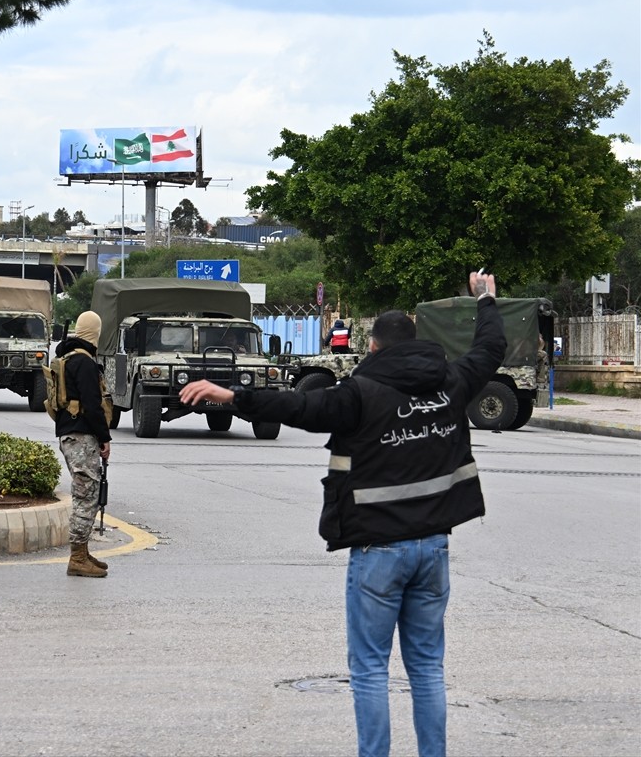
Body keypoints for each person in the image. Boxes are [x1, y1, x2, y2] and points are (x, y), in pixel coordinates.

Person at [179, 270, 505, 757]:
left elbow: (299, 406)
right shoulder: (452, 381)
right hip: (434, 549)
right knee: (428, 668)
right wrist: (485, 300)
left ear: (373, 349)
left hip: (380, 553)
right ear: (415, 345)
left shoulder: (358, 395)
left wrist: (230, 396)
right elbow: (490, 348)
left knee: (371, 669)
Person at [53, 310, 112, 578]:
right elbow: (92, 405)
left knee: (86, 493)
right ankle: (77, 558)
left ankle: (83, 552)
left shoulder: (66, 357)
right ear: (94, 332)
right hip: (81, 436)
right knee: (86, 496)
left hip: (69, 434)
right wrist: (105, 438)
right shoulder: (85, 363)